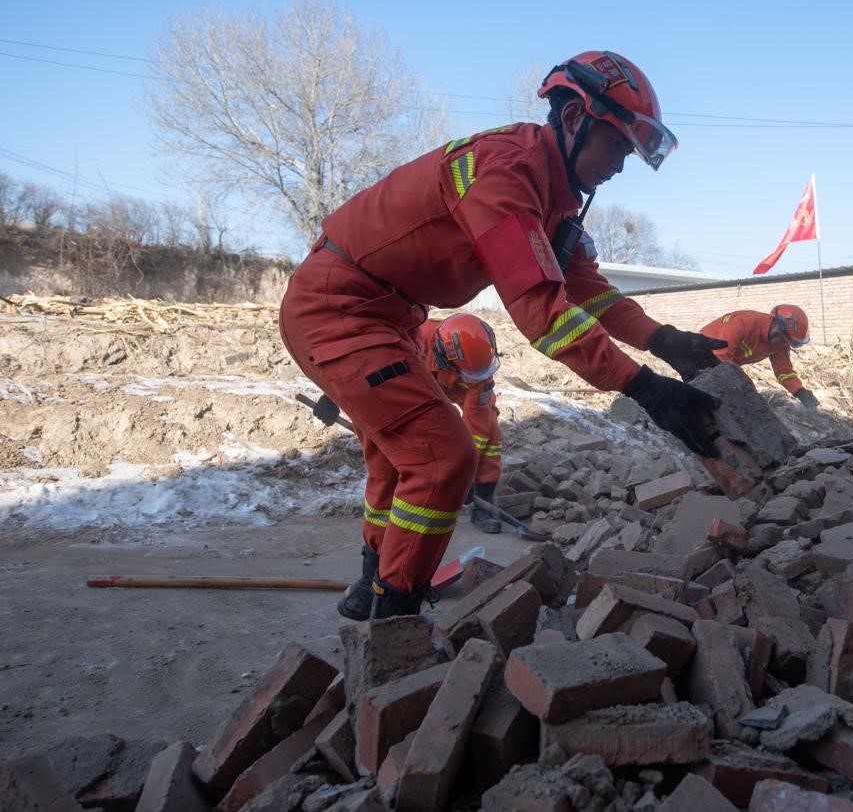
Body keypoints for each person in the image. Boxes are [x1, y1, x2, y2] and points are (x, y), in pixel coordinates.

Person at [278, 50, 726, 621]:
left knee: (398, 462)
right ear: (573, 120)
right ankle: (396, 622)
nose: (620, 166)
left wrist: (664, 339)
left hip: (389, 315)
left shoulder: (552, 198)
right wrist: (647, 389)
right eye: (616, 145)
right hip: (338, 306)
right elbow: (543, 311)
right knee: (442, 458)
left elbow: (589, 289)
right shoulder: (505, 172)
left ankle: (374, 585)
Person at [416, 313, 505, 535]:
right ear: (446, 356)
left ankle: (483, 501)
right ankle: (419, 494)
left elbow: (478, 423)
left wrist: (465, 474)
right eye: (472, 373)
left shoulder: (480, 370)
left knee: (490, 433)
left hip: (458, 391)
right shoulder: (414, 337)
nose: (479, 377)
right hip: (419, 386)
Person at [700, 305, 820, 410]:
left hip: (724, 363)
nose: (782, 344)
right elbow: (721, 356)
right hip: (700, 353)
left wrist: (800, 392)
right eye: (782, 338)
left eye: (786, 342)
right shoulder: (742, 323)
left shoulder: (780, 344)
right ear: (775, 322)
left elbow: (784, 371)